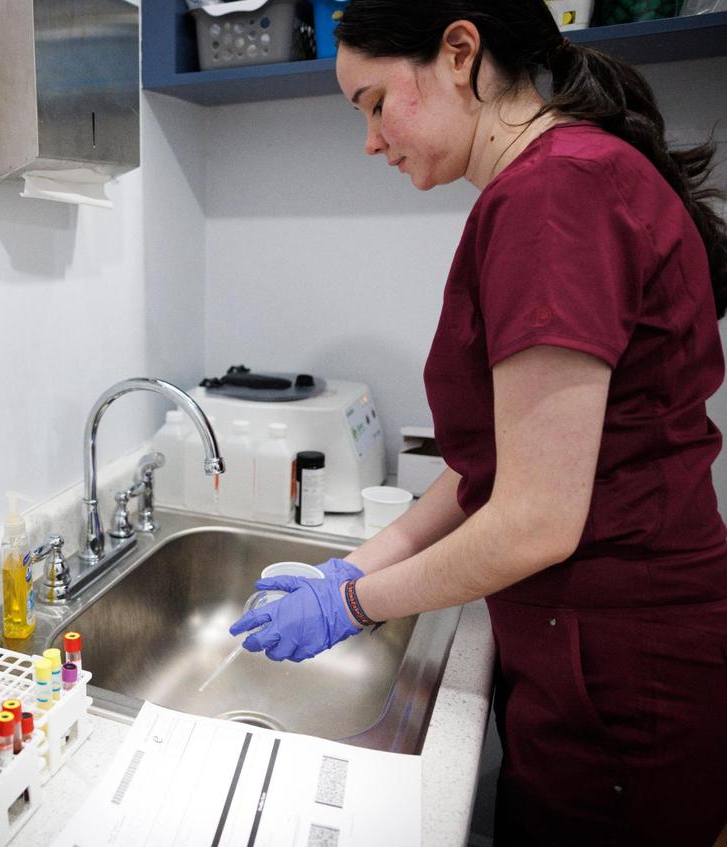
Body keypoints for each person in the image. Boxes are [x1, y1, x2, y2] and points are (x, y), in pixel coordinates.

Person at [228, 2, 727, 844]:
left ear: (460, 51)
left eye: (374, 103)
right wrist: (353, 565)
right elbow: (492, 469)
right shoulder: (563, 179)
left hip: (624, 679)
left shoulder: (553, 196)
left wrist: (352, 603)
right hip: (590, 655)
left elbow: (534, 518)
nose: (371, 141)